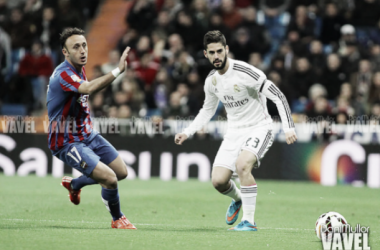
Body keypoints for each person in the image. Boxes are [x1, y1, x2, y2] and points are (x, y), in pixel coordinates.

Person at [174, 31, 297, 231]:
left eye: (220, 51)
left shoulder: (246, 72)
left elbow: (278, 96)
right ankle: (238, 199)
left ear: (227, 50)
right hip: (234, 132)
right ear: (205, 54)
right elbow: (207, 110)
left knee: (242, 166)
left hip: (259, 127)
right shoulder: (211, 81)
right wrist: (187, 132)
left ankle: (249, 221)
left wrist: (288, 126)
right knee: (218, 181)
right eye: (212, 52)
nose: (216, 56)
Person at [46, 27, 136, 229]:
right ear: (65, 52)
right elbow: (87, 88)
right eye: (76, 47)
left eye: (84, 45)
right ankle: (117, 219)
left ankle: (75, 184)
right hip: (67, 141)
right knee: (110, 179)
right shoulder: (63, 74)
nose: (82, 50)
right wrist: (117, 71)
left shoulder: (79, 68)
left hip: (87, 134)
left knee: (121, 172)